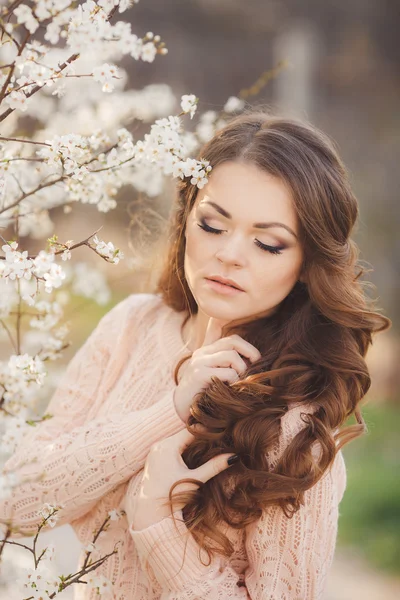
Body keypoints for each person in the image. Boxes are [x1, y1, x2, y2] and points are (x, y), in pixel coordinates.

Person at [0, 110, 391, 599]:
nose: (230, 254)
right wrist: (168, 412)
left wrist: (159, 526)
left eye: (268, 244)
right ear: (186, 220)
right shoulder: (133, 326)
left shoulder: (296, 427)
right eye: (213, 225)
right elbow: (17, 502)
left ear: (307, 264)